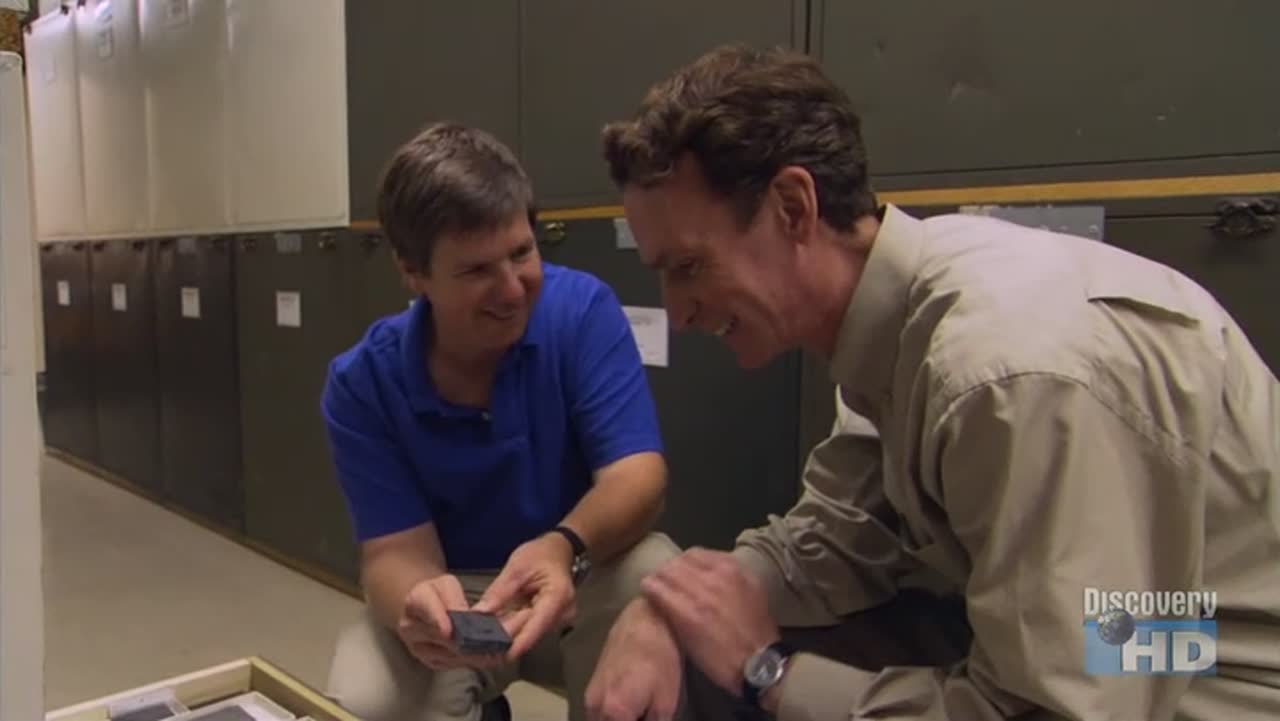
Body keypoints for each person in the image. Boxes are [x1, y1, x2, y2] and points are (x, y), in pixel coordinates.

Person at [584, 44, 1280, 721]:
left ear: (794, 208)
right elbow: (836, 537)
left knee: (748, 677)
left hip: (1201, 668)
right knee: (704, 654)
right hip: (1109, 644)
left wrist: (769, 672)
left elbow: (1076, 700)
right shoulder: (901, 314)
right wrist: (668, 607)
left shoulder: (1002, 371)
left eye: (689, 267)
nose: (677, 312)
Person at [320, 122, 681, 721]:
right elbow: (392, 552)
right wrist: (418, 601)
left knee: (657, 579)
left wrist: (562, 546)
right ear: (413, 271)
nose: (512, 290)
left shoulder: (581, 311)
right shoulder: (364, 382)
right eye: (476, 270)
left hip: (580, 572)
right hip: (461, 595)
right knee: (369, 696)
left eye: (521, 253)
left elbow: (638, 475)